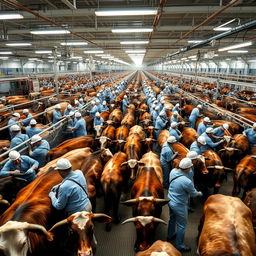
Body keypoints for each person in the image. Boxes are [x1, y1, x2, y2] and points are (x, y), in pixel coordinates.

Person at [167, 158, 202, 252]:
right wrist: (199, 193)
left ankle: (170, 235)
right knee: (182, 225)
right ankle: (180, 245)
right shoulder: (187, 182)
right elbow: (194, 194)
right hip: (179, 205)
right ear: (187, 168)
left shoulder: (173, 171)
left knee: (172, 218)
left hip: (170, 200)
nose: (191, 169)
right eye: (190, 167)